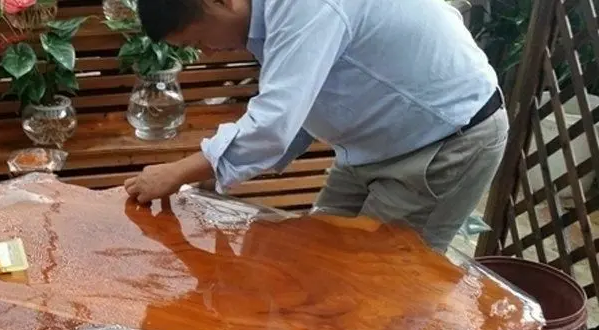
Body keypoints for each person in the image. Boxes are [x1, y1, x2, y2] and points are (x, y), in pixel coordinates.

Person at [124, 0, 508, 251]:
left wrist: (179, 172)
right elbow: (298, 110)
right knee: (318, 258)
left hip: (445, 140)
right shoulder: (271, 16)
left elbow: (273, 124)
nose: (208, 51)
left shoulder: (305, 6)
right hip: (370, 144)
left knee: (385, 286)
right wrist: (211, 174)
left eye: (200, 38)